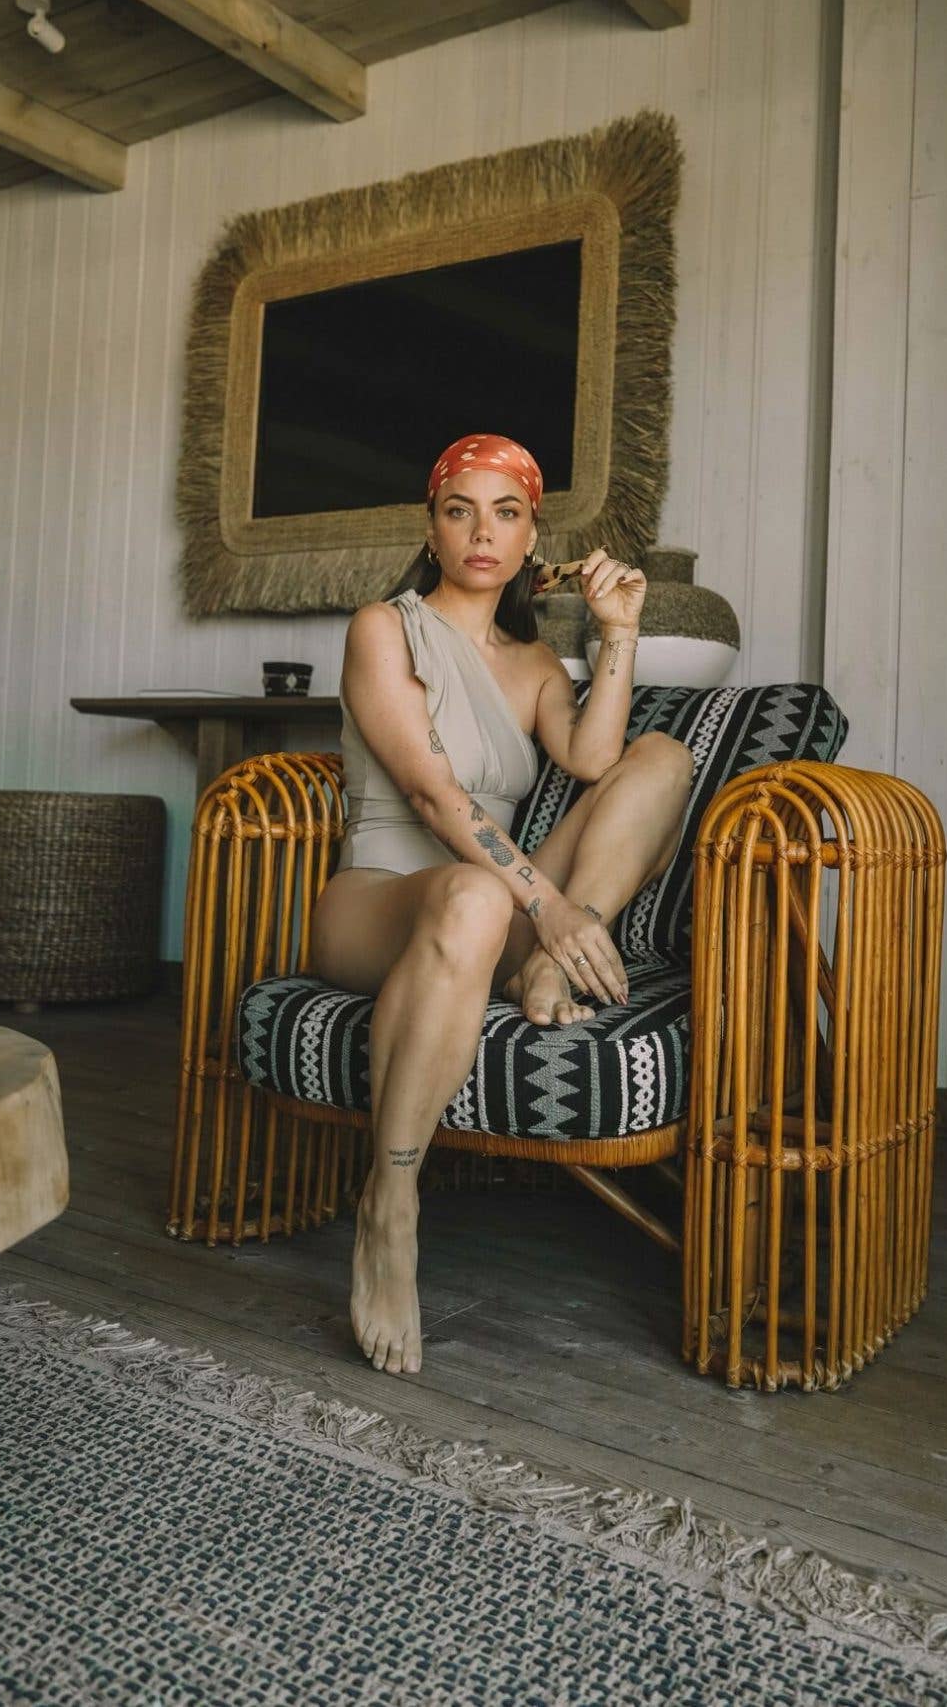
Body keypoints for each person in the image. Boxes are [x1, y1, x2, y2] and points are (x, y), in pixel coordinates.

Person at [309, 433, 695, 1378]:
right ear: (432, 531)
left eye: (507, 514)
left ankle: (546, 963)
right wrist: (549, 906)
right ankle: (390, 1205)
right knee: (480, 895)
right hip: (380, 898)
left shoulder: (535, 665)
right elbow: (434, 797)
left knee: (661, 760)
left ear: (530, 542)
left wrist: (617, 630)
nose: (483, 532)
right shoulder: (383, 628)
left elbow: (597, 761)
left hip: (495, 905)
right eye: (460, 511)